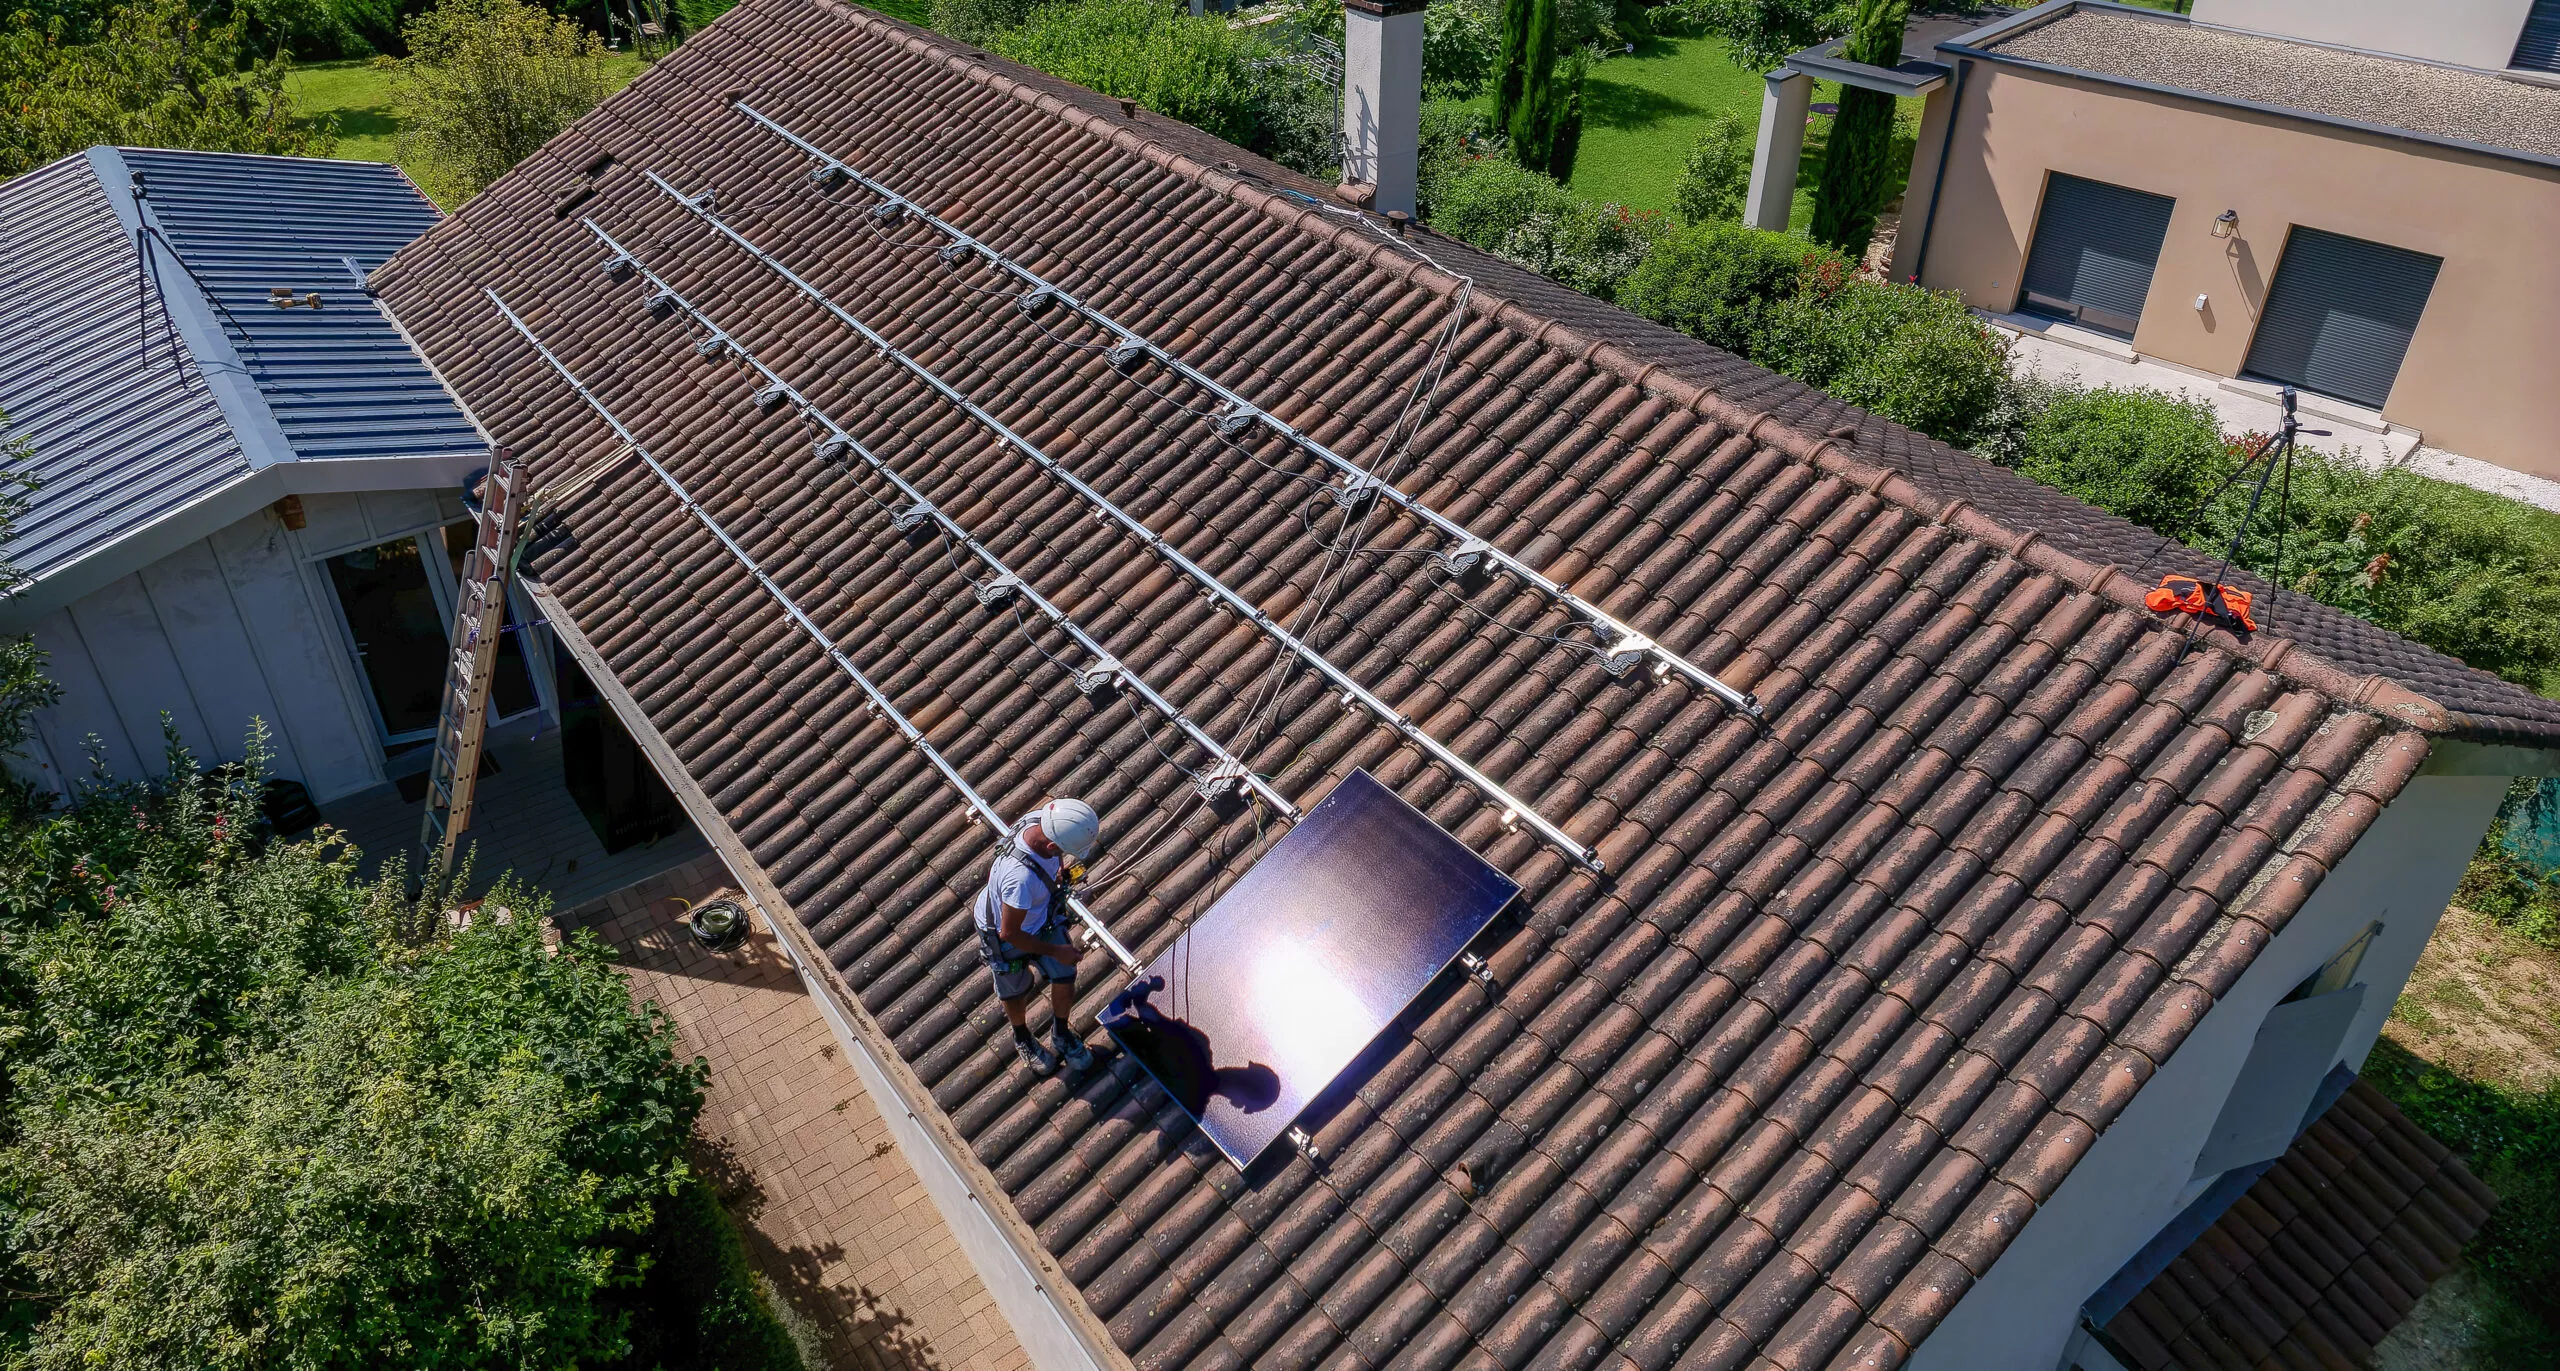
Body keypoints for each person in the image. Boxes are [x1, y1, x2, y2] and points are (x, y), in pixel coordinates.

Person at [975, 797, 1102, 1075]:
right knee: (1016, 989)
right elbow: (1009, 932)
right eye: (1063, 852)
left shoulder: (1040, 820)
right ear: (1052, 845)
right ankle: (1022, 1037)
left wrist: (1056, 872)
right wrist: (1056, 951)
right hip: (1004, 934)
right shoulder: (1019, 880)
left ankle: (1061, 1033)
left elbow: (1049, 857)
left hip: (1036, 917)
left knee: (1064, 974)